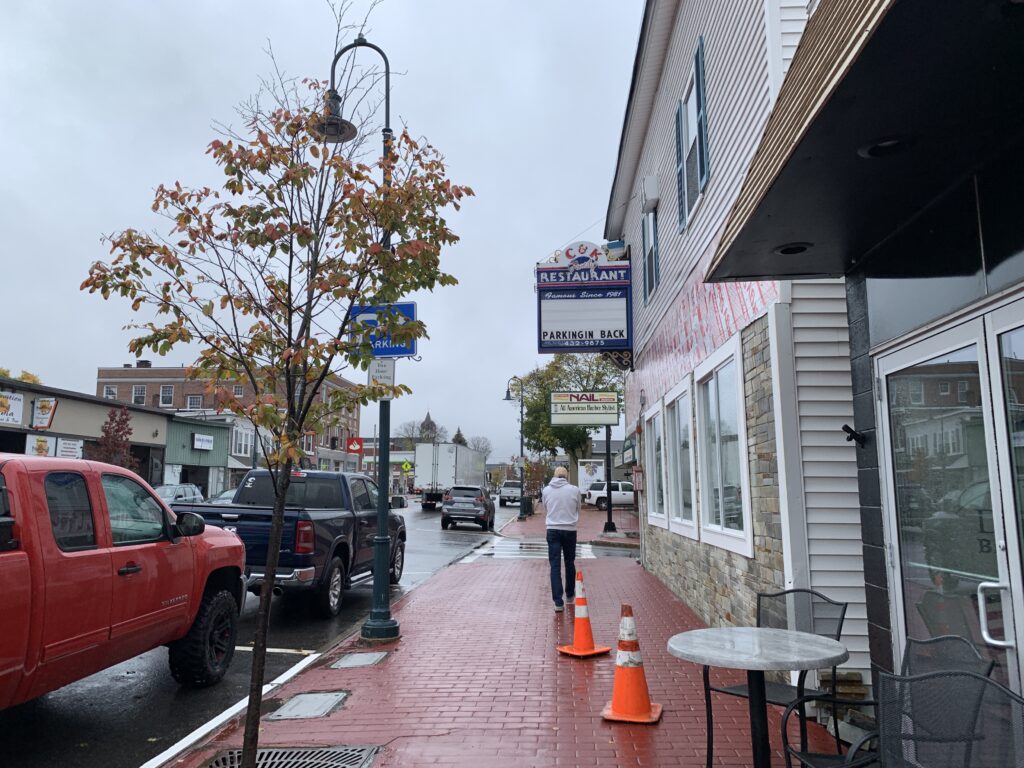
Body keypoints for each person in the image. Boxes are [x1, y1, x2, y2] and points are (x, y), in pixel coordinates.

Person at [542, 466, 580, 612]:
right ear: (566, 476)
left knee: (555, 566)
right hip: (570, 529)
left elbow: (546, 508)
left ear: (554, 476)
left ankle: (558, 602)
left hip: (552, 529)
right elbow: (578, 508)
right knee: (570, 562)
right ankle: (570, 594)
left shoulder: (546, 490)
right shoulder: (575, 490)